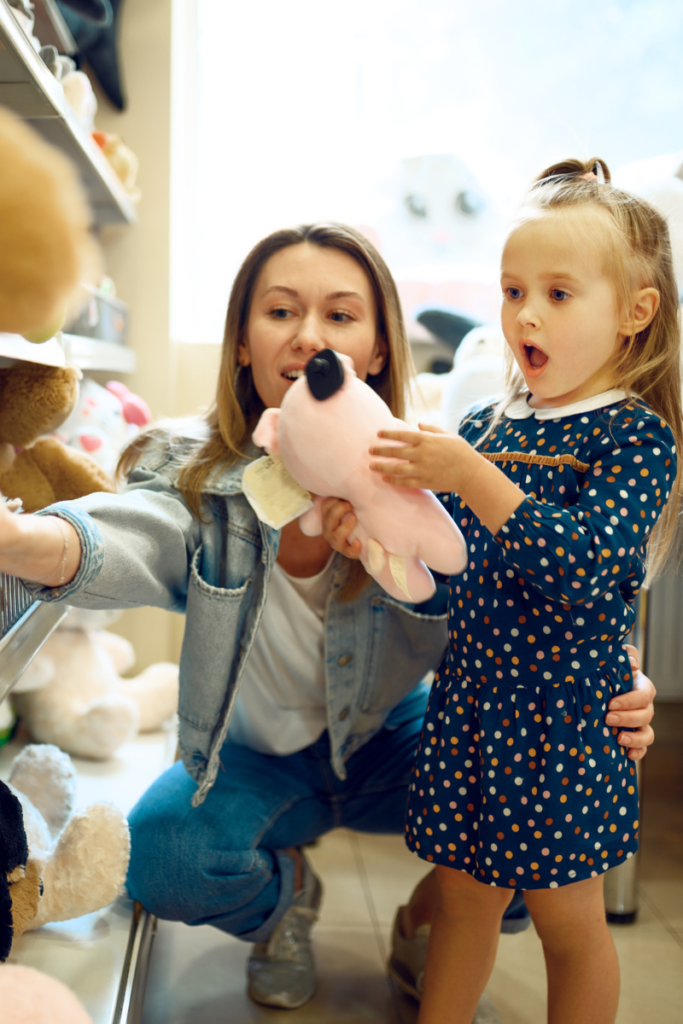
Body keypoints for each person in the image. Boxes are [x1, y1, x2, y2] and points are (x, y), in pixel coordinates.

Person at [0, 222, 656, 1019]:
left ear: (377, 349)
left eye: (341, 316)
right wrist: (24, 537)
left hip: (401, 741)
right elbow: (136, 536)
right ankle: (290, 901)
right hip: (254, 759)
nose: (309, 336)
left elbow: (496, 578)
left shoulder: (425, 467)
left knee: (526, 853)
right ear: (242, 340)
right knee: (164, 859)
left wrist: (614, 675)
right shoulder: (188, 470)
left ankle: (427, 919)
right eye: (279, 311)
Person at [368, 159, 681, 1024]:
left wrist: (470, 476)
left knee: (564, 919)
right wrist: (385, 540)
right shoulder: (482, 427)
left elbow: (580, 567)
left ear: (633, 313)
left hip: (567, 720)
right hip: (471, 706)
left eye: (556, 293)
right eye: (511, 291)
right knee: (466, 901)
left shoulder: (634, 439)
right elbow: (449, 579)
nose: (524, 315)